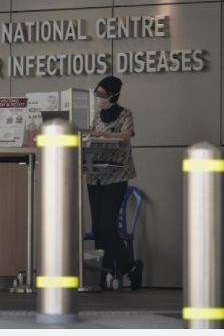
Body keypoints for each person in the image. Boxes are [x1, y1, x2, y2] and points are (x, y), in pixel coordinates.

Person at [86, 75, 144, 290]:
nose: (99, 98)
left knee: (107, 226)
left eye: (102, 94)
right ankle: (106, 274)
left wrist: (99, 134)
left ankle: (129, 267)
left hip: (116, 177)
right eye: (96, 93)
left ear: (113, 94)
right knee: (98, 229)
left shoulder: (125, 114)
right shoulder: (94, 116)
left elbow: (126, 135)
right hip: (94, 177)